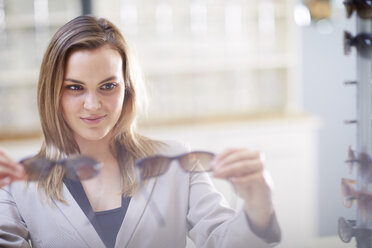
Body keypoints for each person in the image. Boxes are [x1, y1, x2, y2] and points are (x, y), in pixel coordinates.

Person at [0, 15, 280, 248]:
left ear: (127, 89)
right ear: (52, 93)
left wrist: (259, 205)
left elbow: (224, 240)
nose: (93, 104)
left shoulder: (179, 159)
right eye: (75, 87)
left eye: (108, 86)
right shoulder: (16, 184)